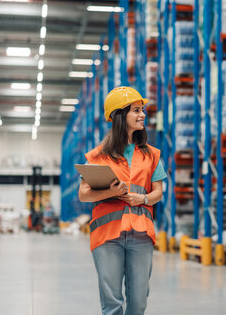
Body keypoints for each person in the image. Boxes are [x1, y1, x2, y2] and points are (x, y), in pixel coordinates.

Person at [78, 86, 166, 315]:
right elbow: (83, 194)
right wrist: (112, 193)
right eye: (136, 110)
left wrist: (142, 198)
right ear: (120, 116)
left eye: (142, 110)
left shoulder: (152, 155)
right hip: (108, 237)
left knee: (138, 302)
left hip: (141, 236)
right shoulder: (97, 156)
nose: (142, 115)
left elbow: (159, 193)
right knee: (112, 304)